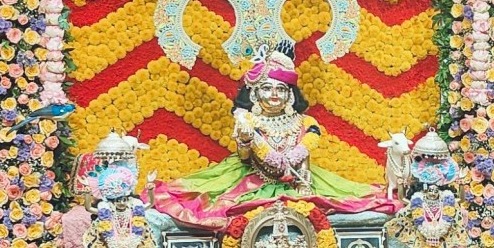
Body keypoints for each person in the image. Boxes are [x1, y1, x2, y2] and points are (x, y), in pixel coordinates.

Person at [152, 45, 400, 230]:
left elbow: (305, 155)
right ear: (255, 94)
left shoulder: (306, 123)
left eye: (281, 89)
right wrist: (246, 140)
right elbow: (245, 157)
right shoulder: (248, 121)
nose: (274, 94)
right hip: (250, 179)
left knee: (351, 202)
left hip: (299, 182)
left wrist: (301, 175)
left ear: (290, 95)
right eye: (267, 88)